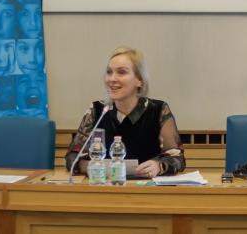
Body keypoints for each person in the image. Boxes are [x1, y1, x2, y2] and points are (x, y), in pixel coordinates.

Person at [65, 47, 185, 178]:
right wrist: (88, 166)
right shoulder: (97, 110)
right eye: (109, 72)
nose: (112, 79)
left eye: (121, 72)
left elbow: (177, 158)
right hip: (105, 186)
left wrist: (159, 166)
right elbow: (72, 157)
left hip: (147, 187)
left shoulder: (158, 109)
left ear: (139, 80)